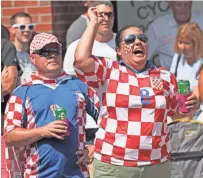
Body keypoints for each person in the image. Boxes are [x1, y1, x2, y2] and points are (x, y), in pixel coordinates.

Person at [74, 7, 200, 178]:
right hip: (115, 163)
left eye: (142, 38)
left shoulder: (165, 76)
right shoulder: (109, 70)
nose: (138, 42)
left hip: (156, 164)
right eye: (130, 39)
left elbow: (176, 113)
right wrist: (93, 23)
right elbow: (81, 60)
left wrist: (189, 107)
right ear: (118, 50)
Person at [3, 33, 100, 178]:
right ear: (33, 58)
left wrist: (95, 147)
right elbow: (9, 137)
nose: (52, 56)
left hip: (77, 173)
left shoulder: (79, 86)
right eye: (45, 52)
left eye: (56, 51)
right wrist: (42, 131)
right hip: (37, 174)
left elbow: (112, 118)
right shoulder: (22, 92)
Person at [64, 0, 116, 147]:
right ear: (90, 16)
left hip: (118, 119)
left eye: (109, 14)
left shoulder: (123, 44)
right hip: (89, 120)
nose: (105, 19)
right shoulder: (77, 47)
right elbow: (69, 84)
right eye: (100, 15)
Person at [147, 1, 203, 70]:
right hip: (171, 75)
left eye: (186, 4)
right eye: (179, 5)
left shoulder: (201, 19)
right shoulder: (158, 27)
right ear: (171, 5)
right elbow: (145, 55)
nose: (183, 8)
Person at [10, 12, 36, 83]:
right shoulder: (7, 54)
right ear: (12, 30)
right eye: (22, 27)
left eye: (30, 27)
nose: (27, 30)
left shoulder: (34, 54)